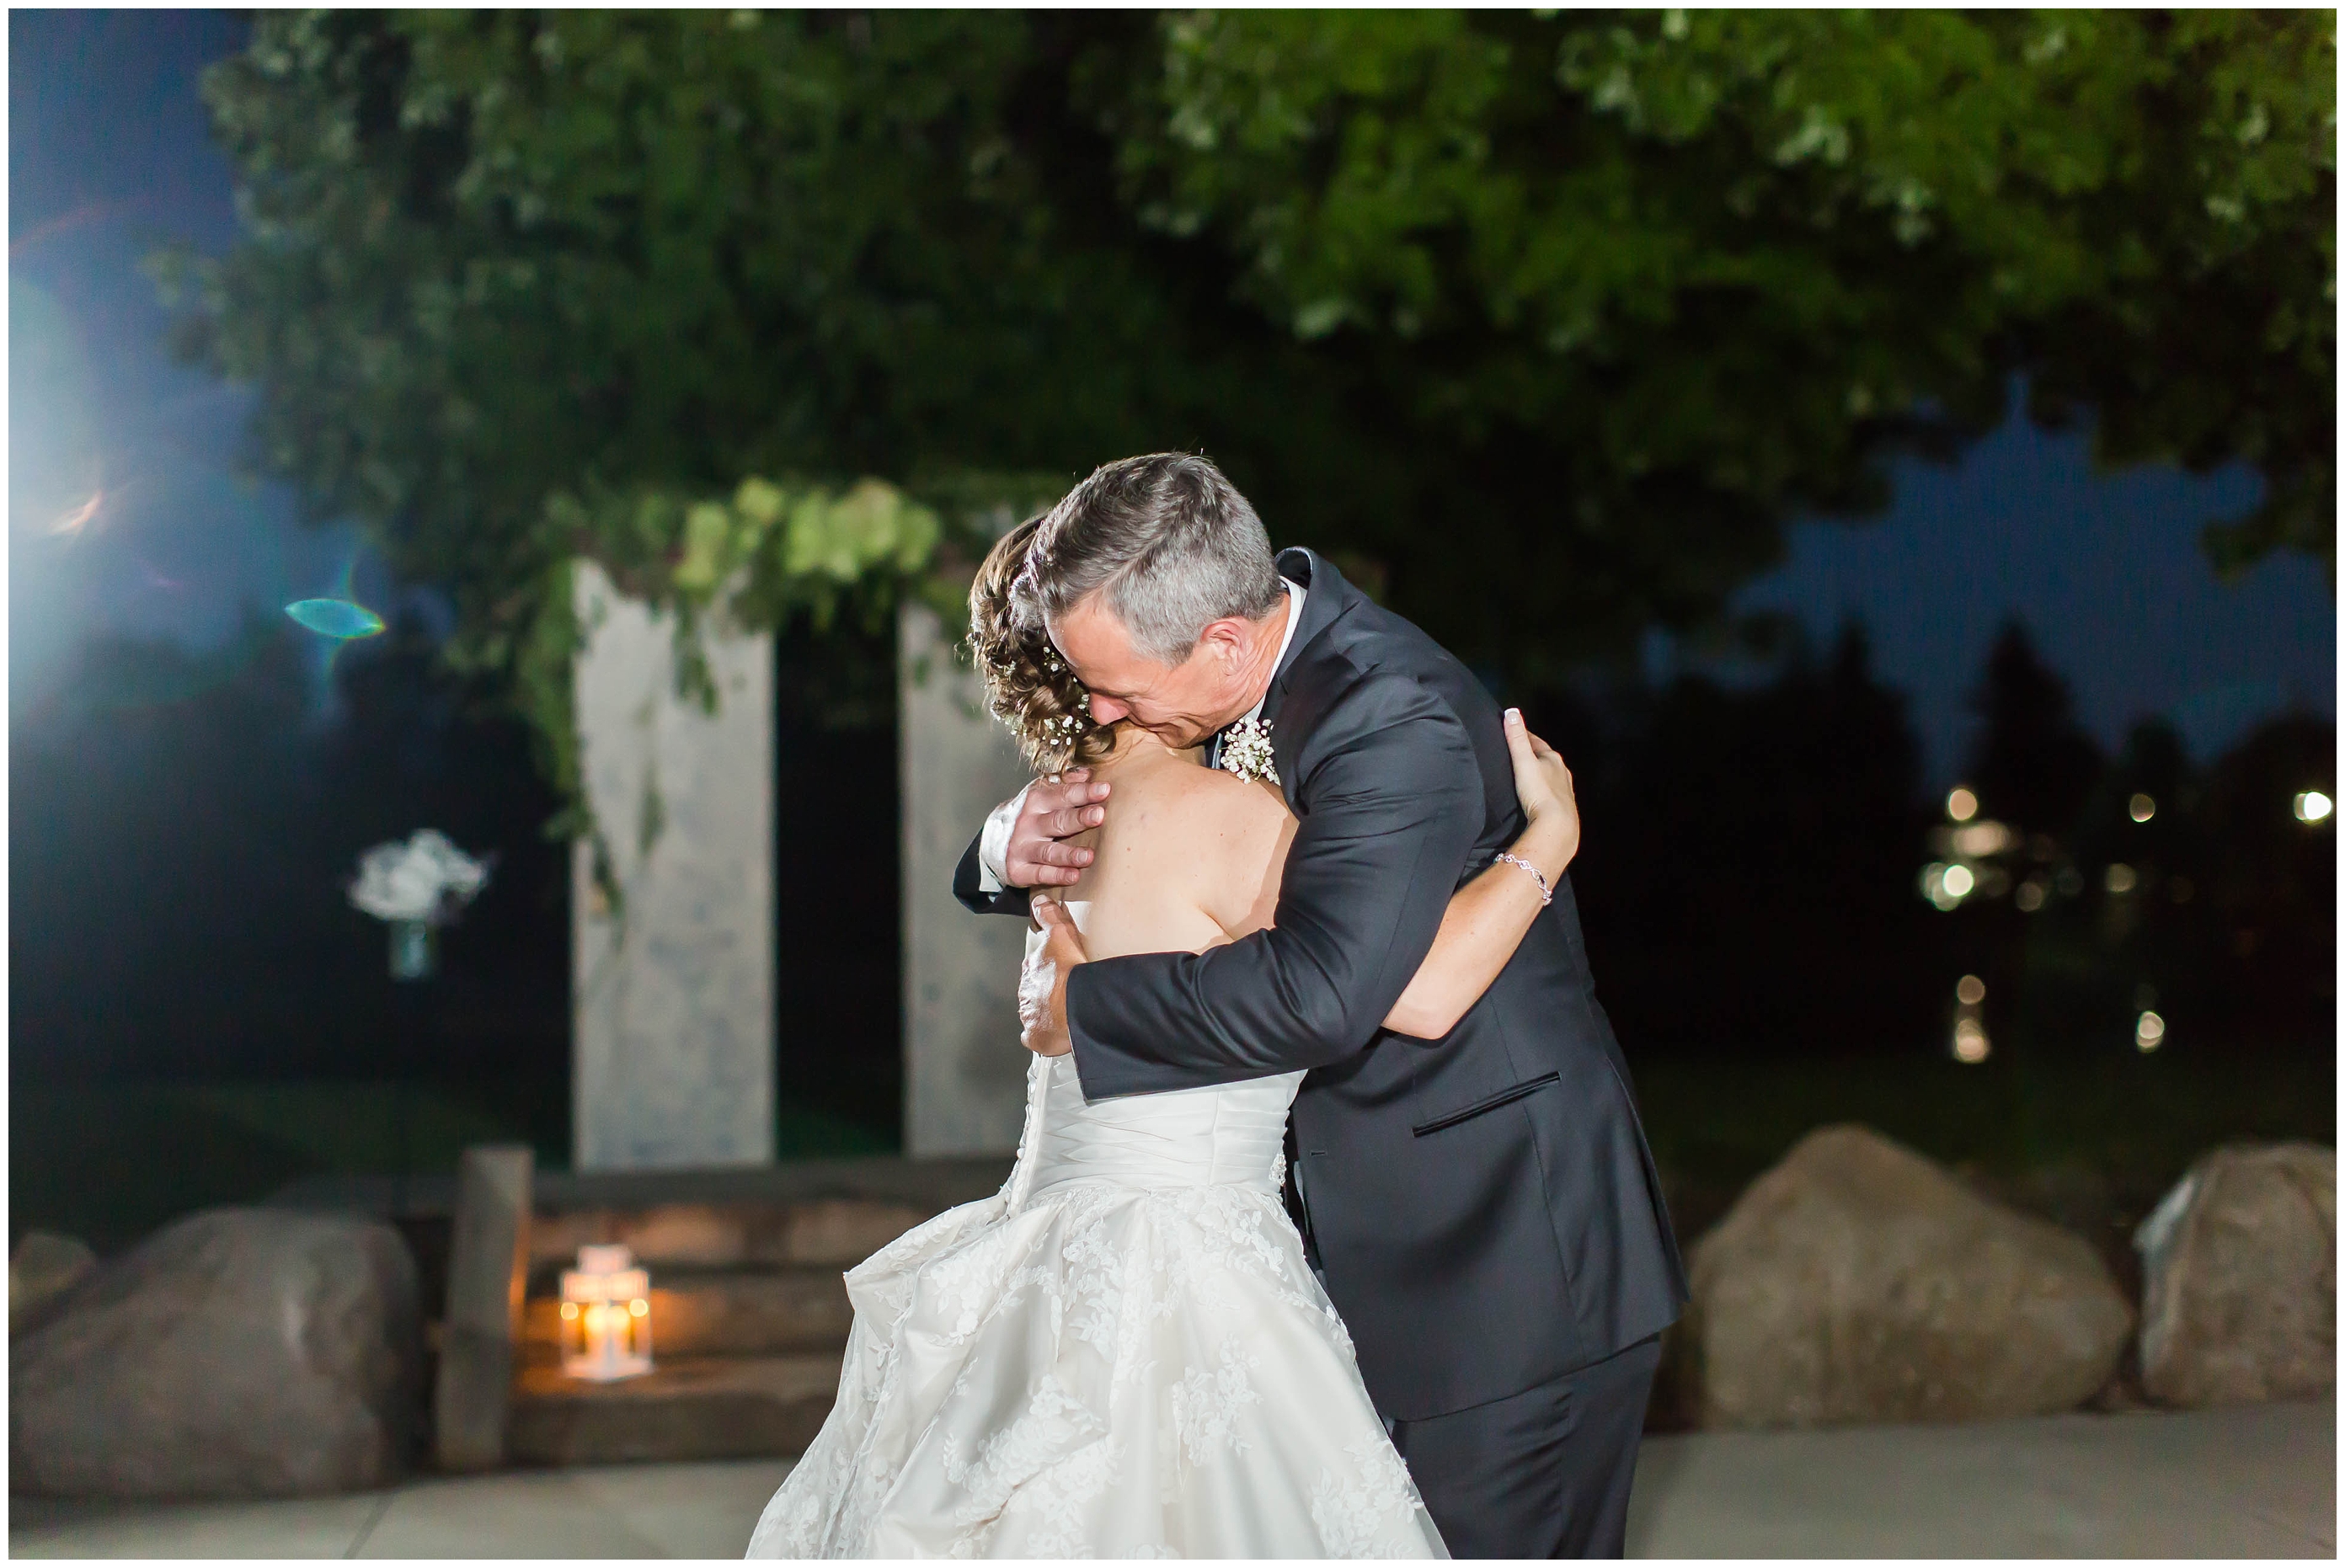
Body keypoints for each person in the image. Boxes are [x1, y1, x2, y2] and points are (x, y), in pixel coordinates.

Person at [747, 509, 1582, 1559]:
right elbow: (1404, 991)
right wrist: (1550, 840)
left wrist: (1007, 841)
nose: (1103, 694)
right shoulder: (1239, 823)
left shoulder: (1060, 826)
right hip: (1193, 1268)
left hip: (1043, 1257)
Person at [962, 453, 1686, 1558]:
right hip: (1350, 1255)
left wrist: (1089, 1002)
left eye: (1118, 688)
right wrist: (995, 854)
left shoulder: (1389, 713)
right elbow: (1110, 819)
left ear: (1226, 642)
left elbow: (1328, 991)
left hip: (1499, 1263)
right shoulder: (1201, 667)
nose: (1100, 712)